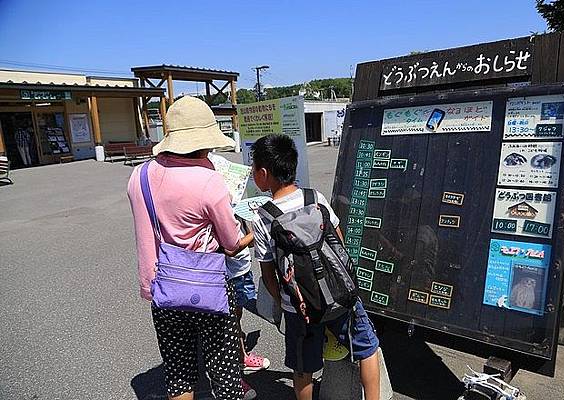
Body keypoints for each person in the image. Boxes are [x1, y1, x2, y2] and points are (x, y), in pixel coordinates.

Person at [127, 96, 256, 400]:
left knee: (180, 376)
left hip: (163, 288)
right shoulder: (209, 180)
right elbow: (231, 245)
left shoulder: (139, 175)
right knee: (224, 374)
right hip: (207, 287)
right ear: (203, 141)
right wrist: (251, 233)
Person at [250, 134, 381, 400]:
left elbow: (268, 275)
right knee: (367, 348)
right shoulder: (315, 197)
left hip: (300, 307)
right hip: (341, 294)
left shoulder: (263, 217)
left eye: (254, 168)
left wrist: (284, 302)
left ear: (264, 173)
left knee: (303, 368)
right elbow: (338, 242)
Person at [226, 216, 271, 372]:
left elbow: (250, 242)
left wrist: (251, 220)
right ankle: (241, 358)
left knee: (238, 313)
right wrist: (262, 225)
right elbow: (230, 248)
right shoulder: (218, 205)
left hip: (242, 269)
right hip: (231, 274)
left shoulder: (236, 207)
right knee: (233, 317)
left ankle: (238, 348)